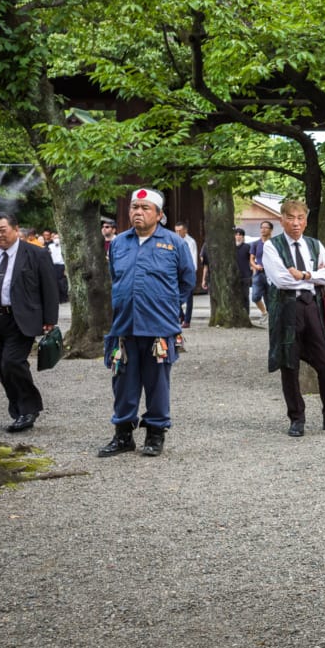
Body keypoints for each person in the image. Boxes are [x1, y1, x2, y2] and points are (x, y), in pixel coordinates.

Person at [98, 189, 195, 458]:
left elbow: (187, 281)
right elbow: (115, 276)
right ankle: (123, 435)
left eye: (145, 208)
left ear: (159, 215)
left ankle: (155, 434)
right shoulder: (118, 244)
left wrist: (166, 303)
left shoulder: (174, 243)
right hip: (124, 325)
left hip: (158, 327)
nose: (137, 212)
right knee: (123, 384)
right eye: (134, 207)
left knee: (157, 384)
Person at [0, 212, 60, 433]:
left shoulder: (36, 254)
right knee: (1, 367)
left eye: (2, 230)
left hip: (21, 319)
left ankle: (29, 408)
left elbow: (50, 288)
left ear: (16, 230)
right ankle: (18, 407)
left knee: (12, 362)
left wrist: (50, 319)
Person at [263, 199, 325, 438]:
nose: (295, 223)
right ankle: (297, 419)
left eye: (300, 218)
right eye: (290, 218)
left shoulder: (314, 245)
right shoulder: (272, 247)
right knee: (289, 365)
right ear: (281, 219)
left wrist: (305, 274)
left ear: (306, 220)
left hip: (311, 307)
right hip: (286, 310)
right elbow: (281, 280)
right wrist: (316, 277)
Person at [174, 222, 199, 328]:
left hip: (188, 272)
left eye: (180, 230)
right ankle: (181, 315)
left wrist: (191, 272)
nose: (178, 233)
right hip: (176, 272)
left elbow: (193, 258)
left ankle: (187, 320)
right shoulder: (174, 240)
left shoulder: (190, 242)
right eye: (176, 231)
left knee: (189, 298)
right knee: (174, 295)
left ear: (185, 230)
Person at [249, 220, 272, 323]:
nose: (263, 229)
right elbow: (251, 259)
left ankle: (271, 317)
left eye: (266, 227)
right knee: (255, 296)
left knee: (270, 297)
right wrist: (255, 266)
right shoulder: (255, 244)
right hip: (259, 273)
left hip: (271, 274)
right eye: (261, 227)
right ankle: (264, 312)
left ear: (271, 230)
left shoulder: (274, 243)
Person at [232, 228, 252, 311]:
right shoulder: (231, 248)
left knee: (245, 296)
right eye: (236, 234)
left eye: (240, 235)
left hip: (245, 275)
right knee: (234, 297)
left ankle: (246, 314)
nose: (238, 236)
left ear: (243, 237)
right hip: (233, 276)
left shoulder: (247, 247)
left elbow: (251, 261)